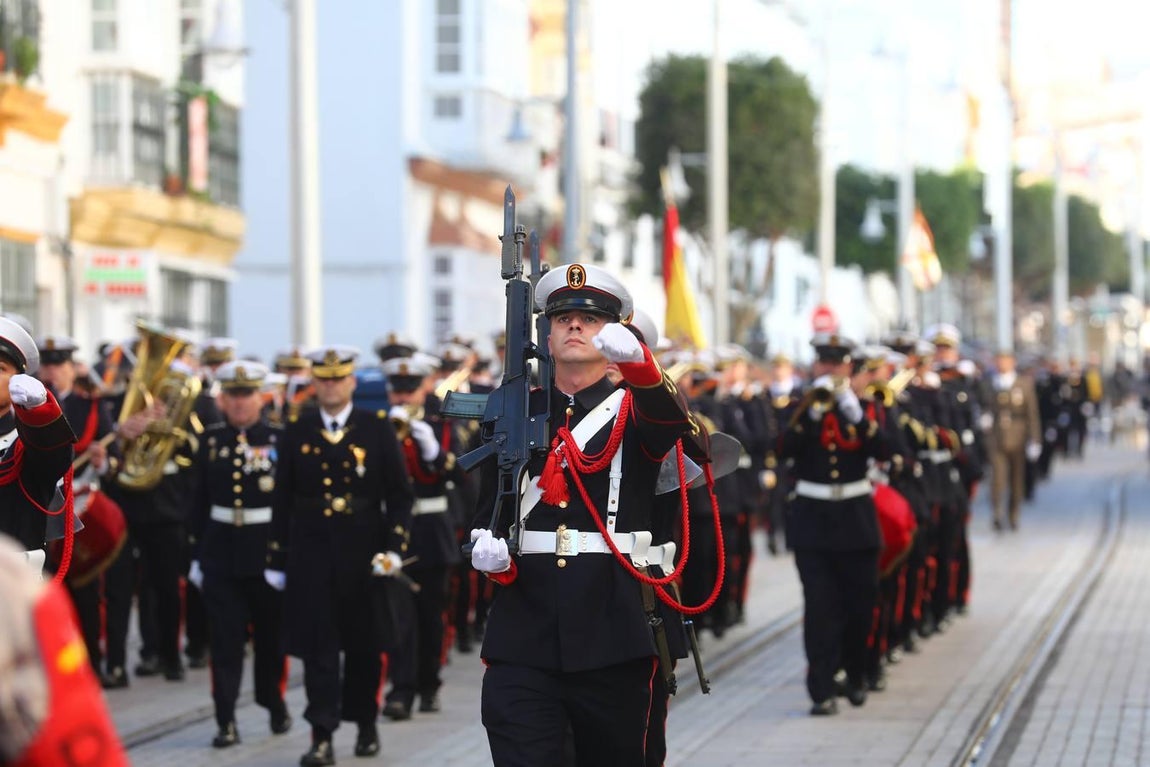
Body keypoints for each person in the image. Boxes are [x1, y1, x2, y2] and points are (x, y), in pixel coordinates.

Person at [469, 263, 703, 766]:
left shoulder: (636, 411)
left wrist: (642, 367)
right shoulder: (510, 412)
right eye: (563, 318)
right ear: (546, 336)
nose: (574, 326)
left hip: (614, 630)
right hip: (523, 633)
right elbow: (486, 511)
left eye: (590, 319)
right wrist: (488, 555)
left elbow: (675, 425)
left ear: (613, 334)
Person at [267, 345, 415, 766]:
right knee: (319, 652)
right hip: (312, 555)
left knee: (365, 649)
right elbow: (283, 498)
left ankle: (366, 724)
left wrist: (394, 548)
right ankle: (321, 734)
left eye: (338, 378)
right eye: (324, 379)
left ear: (351, 381)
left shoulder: (376, 428)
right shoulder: (297, 429)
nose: (331, 386)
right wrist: (277, 558)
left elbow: (399, 497)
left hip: (364, 554)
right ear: (314, 383)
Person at [778, 333, 891, 716]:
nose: (828, 369)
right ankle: (821, 689)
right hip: (813, 519)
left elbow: (886, 451)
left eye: (836, 363)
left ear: (848, 368)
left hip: (856, 519)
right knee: (820, 607)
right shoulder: (796, 405)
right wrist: (807, 416)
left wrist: (855, 414)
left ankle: (856, 673)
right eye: (822, 363)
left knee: (860, 605)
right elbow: (779, 451)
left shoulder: (862, 407)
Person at [189, 360, 291, 748]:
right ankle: (226, 718)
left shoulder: (281, 439)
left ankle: (273, 701)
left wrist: (285, 555)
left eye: (246, 394)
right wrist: (196, 555)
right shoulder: (210, 440)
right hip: (221, 554)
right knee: (225, 642)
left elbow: (286, 505)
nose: (238, 403)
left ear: (261, 397)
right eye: (231, 395)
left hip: (265, 553)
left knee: (270, 641)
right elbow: (196, 503)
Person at [380, 354, 463, 720]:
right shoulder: (378, 427)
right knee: (397, 617)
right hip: (395, 535)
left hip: (431, 532)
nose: (403, 398)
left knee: (431, 618)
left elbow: (461, 474)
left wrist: (433, 451)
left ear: (423, 388)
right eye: (397, 392)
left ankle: (429, 684)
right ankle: (401, 690)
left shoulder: (442, 424)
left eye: (410, 390)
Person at [34, 335, 122, 680]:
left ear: (72, 369)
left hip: (80, 508)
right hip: (41, 508)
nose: (52, 372)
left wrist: (101, 462)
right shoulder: (29, 405)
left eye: (59, 365)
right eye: (48, 365)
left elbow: (113, 460)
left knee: (86, 592)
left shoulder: (91, 407)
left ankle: (93, 665)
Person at [0, 318, 76, 571]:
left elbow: (55, 457)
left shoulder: (26, 444)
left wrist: (38, 412)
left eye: (0, 368)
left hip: (13, 584)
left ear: (18, 380)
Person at [981, 350, 1041, 531]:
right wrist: (985, 417)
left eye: (1006, 360)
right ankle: (997, 512)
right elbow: (984, 405)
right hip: (997, 436)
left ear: (1013, 362)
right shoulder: (990, 383)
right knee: (997, 478)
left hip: (1018, 436)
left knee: (1016, 478)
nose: (1002, 364)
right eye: (999, 360)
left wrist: (1035, 439)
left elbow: (1032, 413)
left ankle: (1013, 513)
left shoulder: (1024, 384)